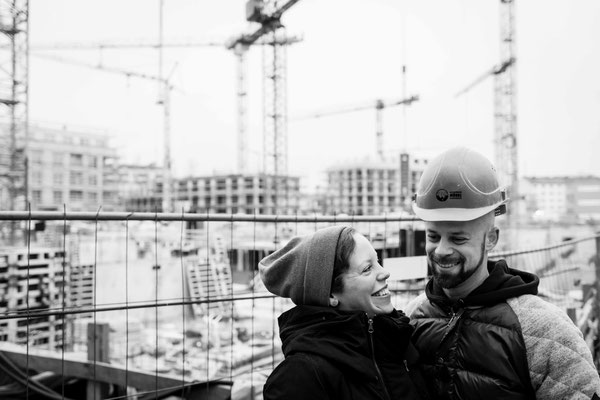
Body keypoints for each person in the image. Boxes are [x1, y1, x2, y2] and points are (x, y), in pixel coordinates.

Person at [405, 146, 600, 399]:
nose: (441, 250)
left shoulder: (544, 331)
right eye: (433, 236)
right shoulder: (412, 317)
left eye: (458, 239)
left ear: (491, 239)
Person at [259, 225, 431, 400]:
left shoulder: (395, 340)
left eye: (378, 261)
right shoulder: (299, 379)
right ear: (330, 294)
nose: (385, 273)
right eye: (367, 269)